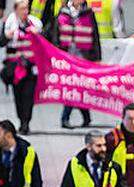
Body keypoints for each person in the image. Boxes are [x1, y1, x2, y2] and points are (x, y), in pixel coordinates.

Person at [48, 0, 102, 128]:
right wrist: (56, 56)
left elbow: (95, 36)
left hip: (84, 57)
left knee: (79, 87)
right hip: (67, 57)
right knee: (72, 86)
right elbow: (56, 35)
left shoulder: (88, 13)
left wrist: (97, 57)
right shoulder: (62, 13)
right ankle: (69, 118)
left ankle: (81, 116)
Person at [3, 0, 43, 135]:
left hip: (31, 68)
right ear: (16, 10)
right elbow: (0, 42)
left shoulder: (36, 24)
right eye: (22, 9)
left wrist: (38, 34)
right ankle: (21, 119)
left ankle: (26, 122)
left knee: (28, 96)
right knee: (18, 95)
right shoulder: (9, 24)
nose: (25, 12)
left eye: (26, 8)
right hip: (15, 68)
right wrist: (7, 36)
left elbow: (44, 44)